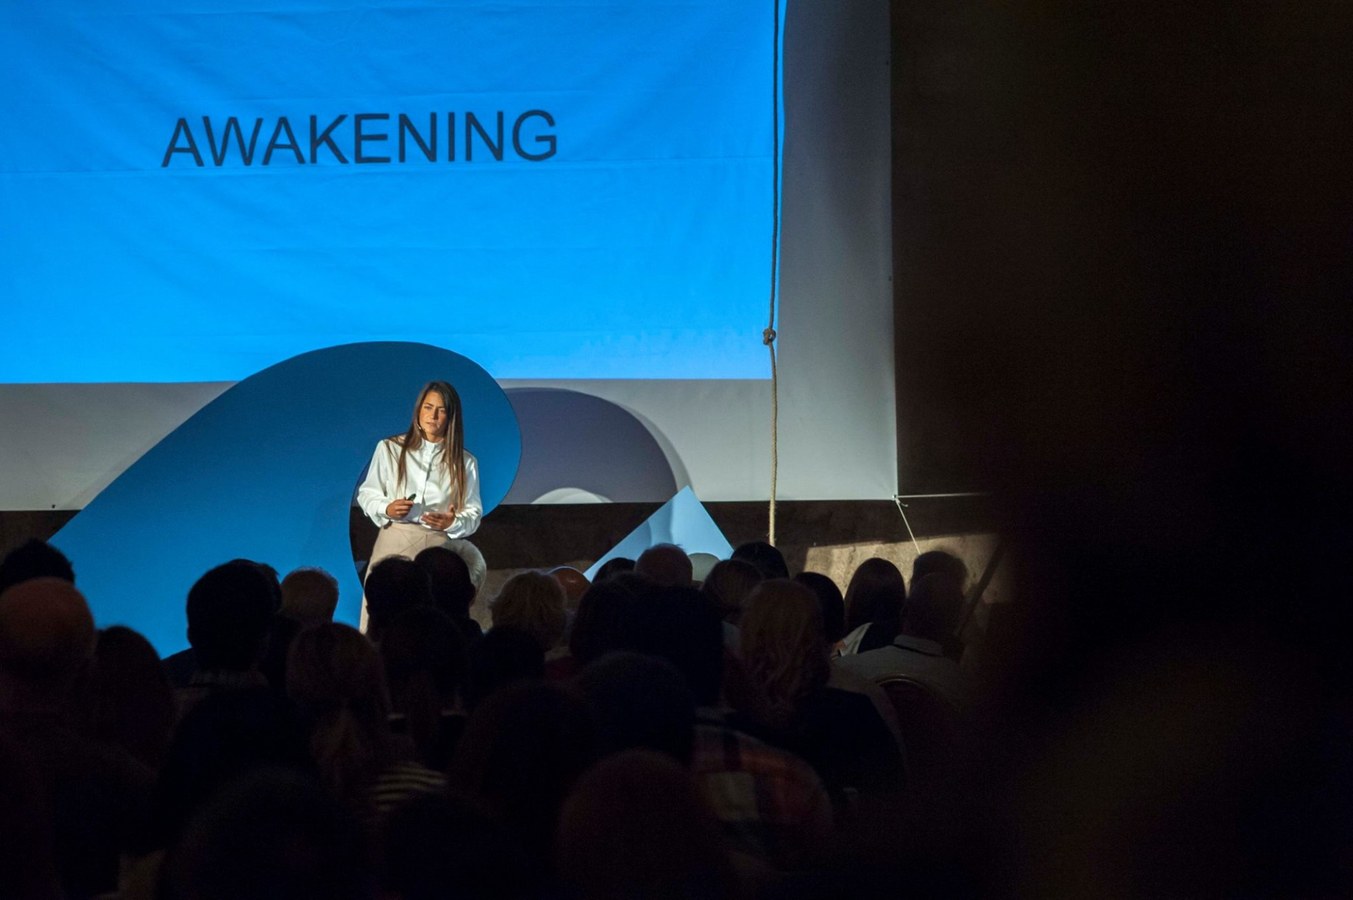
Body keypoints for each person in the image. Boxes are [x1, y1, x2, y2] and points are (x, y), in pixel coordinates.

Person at [356, 381, 485, 629]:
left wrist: (453, 521)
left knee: (431, 618)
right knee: (385, 611)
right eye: (428, 407)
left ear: (451, 416)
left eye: (441, 410)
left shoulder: (465, 461)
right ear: (418, 410)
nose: (433, 416)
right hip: (394, 539)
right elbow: (367, 494)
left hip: (438, 547)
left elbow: (473, 513)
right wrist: (387, 508)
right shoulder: (390, 449)